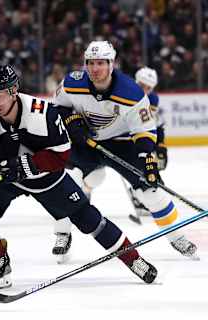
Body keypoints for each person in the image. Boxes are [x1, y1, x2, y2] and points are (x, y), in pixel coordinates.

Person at [0, 64, 157, 290]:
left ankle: (133, 258)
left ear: (13, 90)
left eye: (0, 95)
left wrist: (27, 165)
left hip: (47, 178)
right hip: (4, 176)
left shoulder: (42, 112)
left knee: (88, 218)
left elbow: (61, 155)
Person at [51, 40, 197, 262]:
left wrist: (148, 158)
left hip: (121, 143)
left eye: (101, 63)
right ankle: (63, 233)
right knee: (66, 182)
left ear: (112, 64)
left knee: (151, 191)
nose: (95, 68)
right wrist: (71, 121)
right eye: (90, 63)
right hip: (84, 142)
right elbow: (57, 108)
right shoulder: (72, 82)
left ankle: (176, 235)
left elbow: (145, 129)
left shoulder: (131, 92)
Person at [123, 67, 167, 218]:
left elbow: (155, 124)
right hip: (121, 138)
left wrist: (161, 145)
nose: (145, 90)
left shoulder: (153, 99)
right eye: (142, 85)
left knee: (153, 168)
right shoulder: (123, 92)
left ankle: (142, 193)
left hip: (139, 137)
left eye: (148, 88)